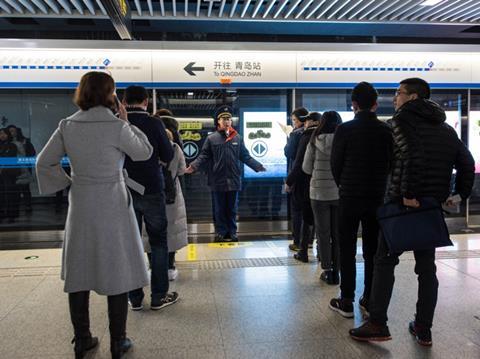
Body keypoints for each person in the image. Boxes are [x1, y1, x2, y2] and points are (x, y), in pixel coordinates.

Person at [35, 71, 153, 358]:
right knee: (117, 267)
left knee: (79, 269)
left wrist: (67, 182)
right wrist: (125, 122)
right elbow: (144, 152)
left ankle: (83, 339)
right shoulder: (116, 126)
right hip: (113, 201)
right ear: (110, 95)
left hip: (82, 202)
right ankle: (118, 341)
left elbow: (43, 162)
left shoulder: (67, 125)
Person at [349, 78, 475, 345]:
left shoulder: (398, 124)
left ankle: (378, 323)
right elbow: (467, 162)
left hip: (402, 205)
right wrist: (459, 194)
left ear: (414, 97)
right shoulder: (445, 130)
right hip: (431, 208)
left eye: (399, 93)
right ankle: (423, 327)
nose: (395, 98)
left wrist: (408, 194)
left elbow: (412, 156)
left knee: (384, 261)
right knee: (426, 269)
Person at [329, 82, 393, 318]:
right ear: (376, 104)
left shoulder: (344, 130)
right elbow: (390, 164)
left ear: (354, 104)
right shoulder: (386, 131)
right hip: (376, 197)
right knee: (372, 250)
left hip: (349, 197)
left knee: (346, 247)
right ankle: (368, 298)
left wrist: (344, 185)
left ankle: (346, 300)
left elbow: (335, 164)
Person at [122, 86, 178, 311]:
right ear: (146, 101)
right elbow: (168, 154)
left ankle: (134, 297)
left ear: (124, 101)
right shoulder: (155, 123)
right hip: (153, 188)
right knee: (158, 243)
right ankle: (158, 296)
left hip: (124, 190)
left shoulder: (118, 122)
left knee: (130, 243)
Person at [186, 105, 266, 242]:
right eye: (223, 119)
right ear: (218, 121)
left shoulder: (237, 138)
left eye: (229, 119)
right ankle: (221, 232)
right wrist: (193, 166)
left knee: (232, 208)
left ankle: (232, 232)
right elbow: (203, 156)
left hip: (234, 179)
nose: (227, 121)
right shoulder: (212, 139)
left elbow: (245, 156)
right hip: (217, 179)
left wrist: (257, 166)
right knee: (219, 209)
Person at [302, 111, 342, 284]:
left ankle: (327, 270)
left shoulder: (314, 140)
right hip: (339, 193)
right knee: (337, 233)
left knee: (323, 233)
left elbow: (306, 168)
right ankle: (338, 269)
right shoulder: (343, 140)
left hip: (318, 193)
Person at [285, 111, 321, 263]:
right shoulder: (333, 136)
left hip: (305, 182)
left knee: (302, 213)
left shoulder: (304, 136)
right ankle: (323, 253)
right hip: (327, 186)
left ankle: (302, 247)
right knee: (323, 219)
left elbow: (297, 160)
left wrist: (289, 181)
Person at [164, 128, 188, 281]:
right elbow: (182, 170)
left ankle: (153, 266)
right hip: (172, 192)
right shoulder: (175, 148)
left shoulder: (148, 146)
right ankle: (170, 266)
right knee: (172, 231)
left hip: (152, 192)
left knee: (151, 232)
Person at [284, 107, 309, 251]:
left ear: (300, 120)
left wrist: (288, 136)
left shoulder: (295, 134)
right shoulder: (312, 133)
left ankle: (297, 241)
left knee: (297, 210)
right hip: (309, 177)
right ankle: (309, 239)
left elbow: (289, 153)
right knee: (308, 209)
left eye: (294, 120)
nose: (293, 123)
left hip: (297, 176)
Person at [7, 125, 36, 212]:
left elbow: (32, 152)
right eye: (10, 131)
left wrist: (27, 162)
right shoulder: (7, 142)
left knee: (25, 188)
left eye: (13, 131)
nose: (12, 133)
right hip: (12, 168)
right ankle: (16, 207)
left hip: (24, 167)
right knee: (15, 190)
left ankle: (28, 206)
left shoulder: (25, 141)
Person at [0, 128, 20, 223]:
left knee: (10, 194)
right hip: (1, 174)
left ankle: (11, 215)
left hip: (9, 173)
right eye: (0, 134)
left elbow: (10, 157)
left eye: (4, 134)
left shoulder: (12, 145)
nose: (2, 135)